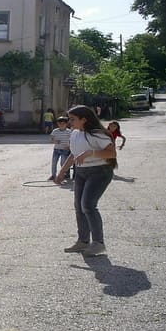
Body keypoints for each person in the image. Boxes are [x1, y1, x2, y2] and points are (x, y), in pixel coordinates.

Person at [55, 105, 117, 257]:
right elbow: (73, 155)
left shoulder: (97, 134)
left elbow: (112, 153)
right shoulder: (75, 134)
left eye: (73, 119)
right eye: (69, 119)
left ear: (84, 119)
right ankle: (83, 241)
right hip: (81, 172)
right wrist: (62, 172)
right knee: (79, 207)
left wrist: (91, 152)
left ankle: (98, 243)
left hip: (100, 172)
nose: (70, 122)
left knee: (88, 205)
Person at [49, 116, 72, 181]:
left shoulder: (69, 131)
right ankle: (53, 175)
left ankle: (63, 175)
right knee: (54, 162)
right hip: (56, 149)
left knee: (63, 163)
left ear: (66, 124)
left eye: (63, 123)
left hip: (65, 150)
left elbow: (72, 140)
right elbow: (51, 139)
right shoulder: (55, 131)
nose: (61, 125)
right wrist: (54, 141)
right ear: (57, 124)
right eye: (59, 123)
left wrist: (69, 146)